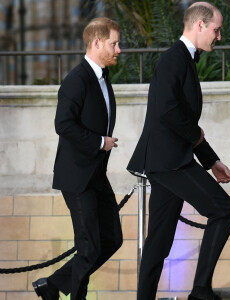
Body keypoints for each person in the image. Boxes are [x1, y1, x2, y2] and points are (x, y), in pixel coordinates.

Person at [127, 2, 230, 300]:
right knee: (225, 211)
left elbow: (180, 119)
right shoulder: (174, 59)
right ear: (199, 25)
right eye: (216, 29)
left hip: (168, 161)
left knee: (158, 243)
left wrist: (212, 160)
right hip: (170, 163)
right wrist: (199, 140)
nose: (219, 37)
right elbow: (167, 111)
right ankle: (200, 290)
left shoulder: (184, 59)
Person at [32, 17, 122, 300]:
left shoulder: (103, 77)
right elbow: (63, 124)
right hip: (77, 177)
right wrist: (99, 142)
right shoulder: (76, 79)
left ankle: (54, 284)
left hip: (96, 175)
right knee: (89, 248)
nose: (119, 49)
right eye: (114, 44)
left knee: (112, 240)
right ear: (96, 43)